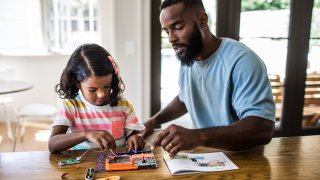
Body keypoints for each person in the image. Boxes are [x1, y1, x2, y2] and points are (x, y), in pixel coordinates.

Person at [141, 0, 275, 157]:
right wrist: (153, 121)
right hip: (206, 157)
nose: (171, 38)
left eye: (177, 27)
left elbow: (262, 128)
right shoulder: (189, 57)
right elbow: (186, 98)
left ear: (202, 21)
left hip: (243, 160)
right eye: (166, 31)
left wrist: (197, 136)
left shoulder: (242, 61)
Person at [48, 43, 145, 153]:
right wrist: (86, 134)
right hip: (82, 168)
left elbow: (133, 135)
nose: (101, 94)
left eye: (107, 86)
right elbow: (52, 145)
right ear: (77, 83)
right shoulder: (71, 106)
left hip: (117, 166)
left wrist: (134, 138)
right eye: (92, 90)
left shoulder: (123, 105)